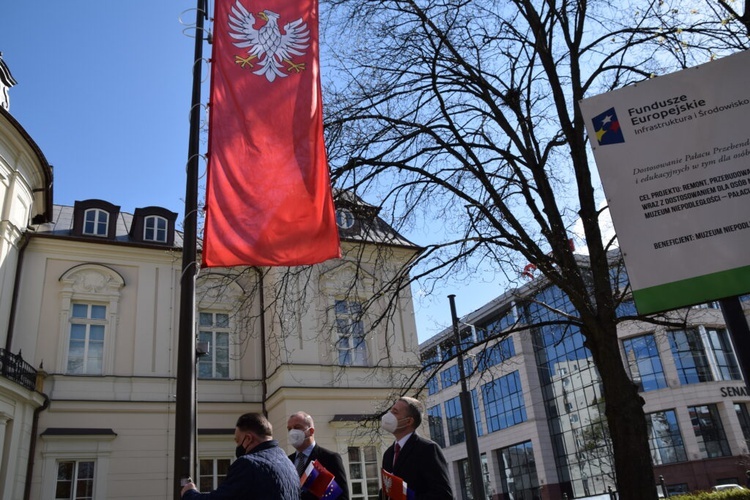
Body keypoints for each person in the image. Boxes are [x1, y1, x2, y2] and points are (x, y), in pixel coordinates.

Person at [181, 412, 300, 499]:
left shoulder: (247, 464)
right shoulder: (287, 461)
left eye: (238, 441)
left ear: (248, 438)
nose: (237, 445)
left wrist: (189, 493)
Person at [380, 396, 453, 500]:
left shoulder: (428, 449)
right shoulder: (389, 454)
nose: (389, 415)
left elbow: (443, 495)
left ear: (409, 421)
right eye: (390, 411)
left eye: (395, 412)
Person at [287, 411, 349, 500]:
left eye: (297, 427)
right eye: (289, 429)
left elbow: (342, 497)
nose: (292, 432)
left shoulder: (330, 458)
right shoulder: (287, 461)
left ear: (311, 431)